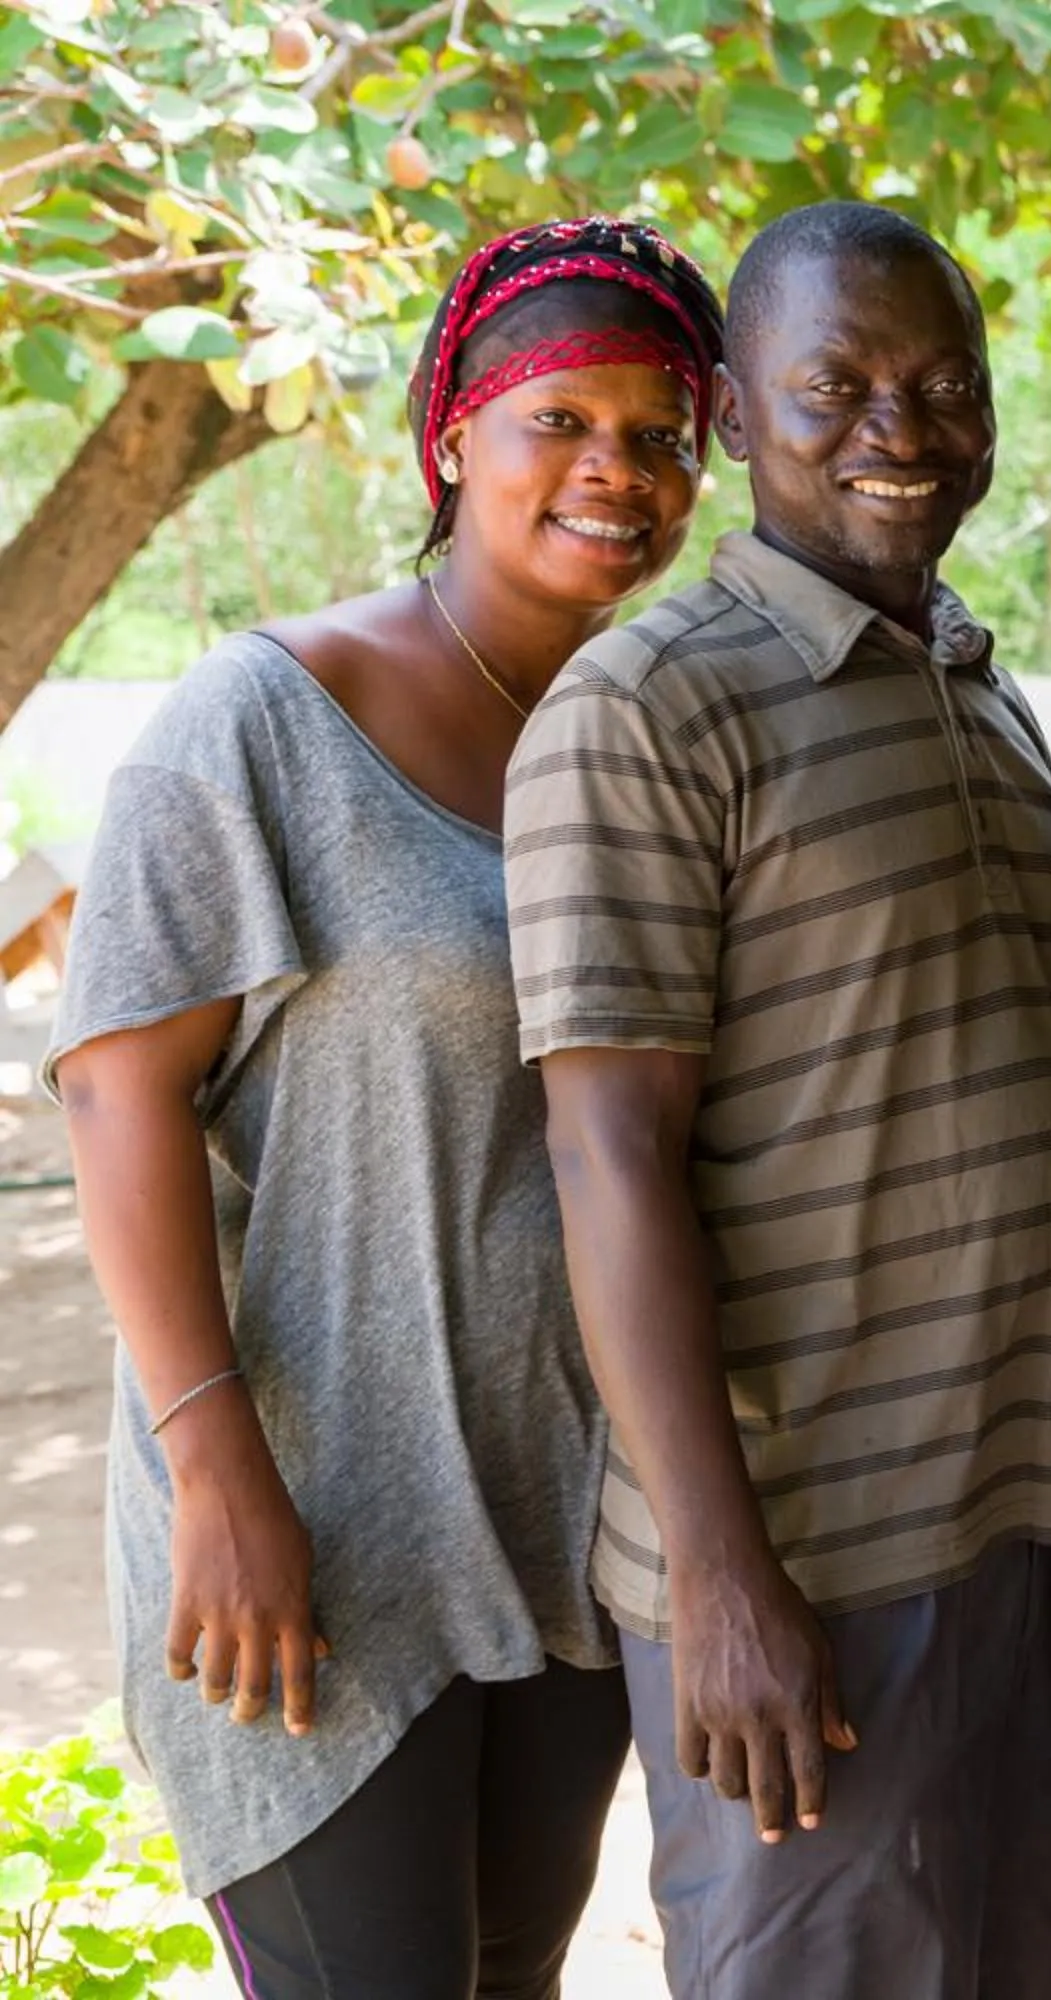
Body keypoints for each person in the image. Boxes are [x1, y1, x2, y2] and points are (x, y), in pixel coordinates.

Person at [46, 218, 721, 1997]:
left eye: (661, 437)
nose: (615, 472)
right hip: (309, 1526)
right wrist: (215, 1473)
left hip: (563, 1521)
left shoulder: (647, 734)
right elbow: (119, 1091)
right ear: (451, 441)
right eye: (559, 421)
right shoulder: (264, 720)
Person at [502, 202, 1051, 1999]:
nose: (898, 428)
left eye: (941, 385)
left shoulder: (981, 689)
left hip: (1016, 1527)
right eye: (834, 386)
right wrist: (722, 1585)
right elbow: (606, 1154)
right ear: (737, 424)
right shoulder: (648, 710)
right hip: (808, 1567)